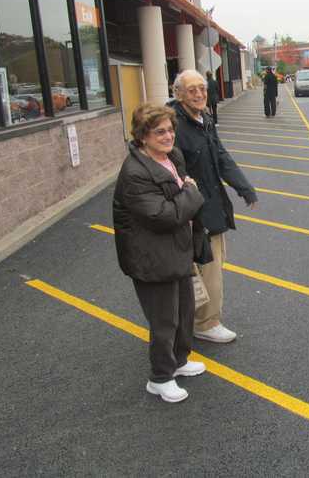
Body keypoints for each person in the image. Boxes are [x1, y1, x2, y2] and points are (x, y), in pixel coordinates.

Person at [113, 103, 207, 403]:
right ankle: (160, 377)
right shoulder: (135, 173)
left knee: (185, 311)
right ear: (142, 136)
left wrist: (186, 197)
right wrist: (192, 193)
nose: (167, 136)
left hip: (177, 250)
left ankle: (179, 360)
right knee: (164, 320)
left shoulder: (172, 157)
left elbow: (178, 205)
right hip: (151, 257)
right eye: (159, 132)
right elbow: (164, 216)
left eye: (170, 130)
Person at [171, 69, 258, 344]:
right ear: (178, 94)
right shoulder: (174, 126)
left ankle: (194, 318)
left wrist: (244, 187)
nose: (199, 94)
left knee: (208, 266)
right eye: (192, 89)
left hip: (212, 206)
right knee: (208, 269)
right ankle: (206, 323)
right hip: (194, 212)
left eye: (202, 88)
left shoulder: (203, 118)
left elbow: (220, 155)